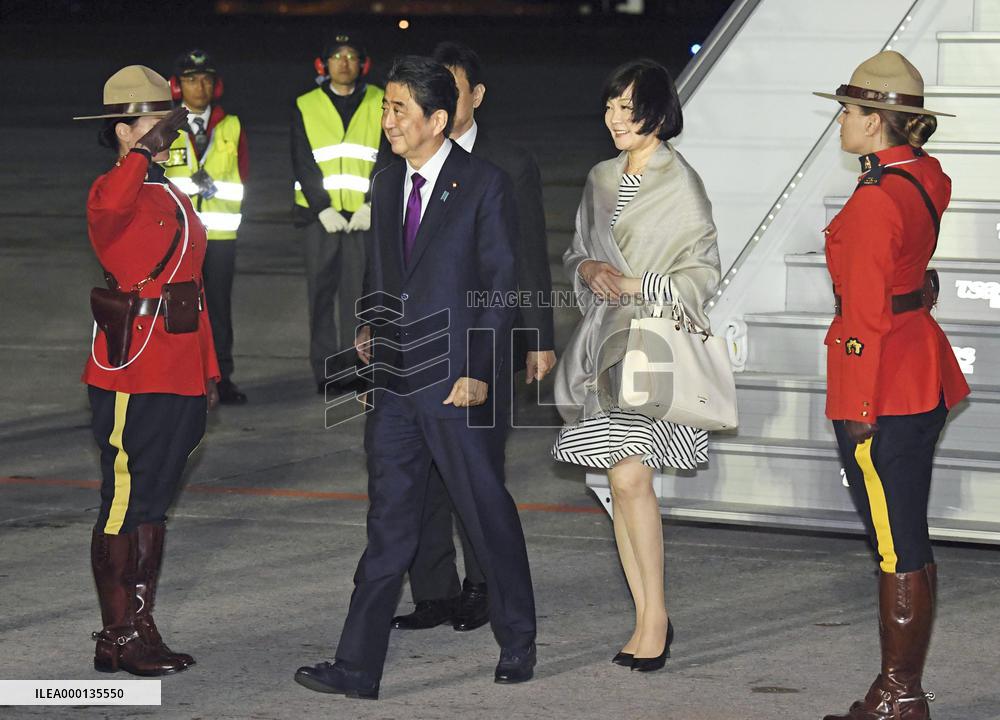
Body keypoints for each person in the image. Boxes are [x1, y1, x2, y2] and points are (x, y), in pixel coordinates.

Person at [293, 56, 536, 700]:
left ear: (438, 119)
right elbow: (382, 268)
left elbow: (501, 286)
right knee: (389, 525)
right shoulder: (383, 181)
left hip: (458, 383)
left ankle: (517, 639)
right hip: (398, 381)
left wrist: (481, 372)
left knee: (485, 514)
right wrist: (370, 324)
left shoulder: (484, 184)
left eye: (399, 108)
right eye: (385, 107)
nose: (387, 118)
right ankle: (357, 665)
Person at [813, 51, 970, 720]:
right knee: (903, 532)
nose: (840, 122)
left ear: (877, 122)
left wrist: (853, 396)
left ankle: (899, 695)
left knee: (894, 540)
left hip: (885, 386)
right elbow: (901, 282)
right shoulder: (921, 175)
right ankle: (901, 691)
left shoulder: (877, 201)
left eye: (848, 111)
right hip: (920, 372)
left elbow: (863, 323)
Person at [552, 59, 721, 672]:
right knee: (620, 485)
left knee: (628, 479)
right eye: (610, 106)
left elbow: (702, 277)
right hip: (605, 345)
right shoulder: (600, 177)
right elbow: (578, 250)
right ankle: (649, 614)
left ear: (658, 112)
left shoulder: (682, 184)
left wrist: (633, 280)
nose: (616, 118)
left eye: (629, 107)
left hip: (652, 345)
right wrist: (588, 271)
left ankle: (654, 618)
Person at [389, 41, 556, 635]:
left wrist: (538, 336)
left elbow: (527, 255)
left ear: (473, 98)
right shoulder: (401, 167)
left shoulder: (506, 164)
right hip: (420, 351)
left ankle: (484, 586)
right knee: (423, 483)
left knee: (476, 473)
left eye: (451, 87)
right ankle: (433, 591)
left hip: (484, 345)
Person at [74, 65, 221, 676]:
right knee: (124, 504)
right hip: (132, 370)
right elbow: (111, 207)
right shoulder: (114, 189)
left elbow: (192, 287)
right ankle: (115, 636)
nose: (168, 128)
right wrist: (141, 150)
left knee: (154, 503)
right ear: (122, 130)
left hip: (179, 364)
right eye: (152, 120)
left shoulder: (168, 190)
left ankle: (140, 623)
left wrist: (208, 372)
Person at [291, 32, 389, 394]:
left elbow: (389, 156)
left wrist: (371, 203)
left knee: (359, 297)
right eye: (336, 56)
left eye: (351, 56)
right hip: (321, 219)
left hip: (364, 217)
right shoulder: (306, 104)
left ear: (362, 63)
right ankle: (327, 371)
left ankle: (359, 367)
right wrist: (323, 207)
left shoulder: (381, 100)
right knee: (320, 295)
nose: (344, 63)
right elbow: (302, 160)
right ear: (323, 64)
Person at [164, 49, 249, 405]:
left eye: (206, 80)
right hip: (178, 239)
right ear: (176, 86)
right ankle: (180, 375)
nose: (199, 86)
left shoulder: (232, 125)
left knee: (218, 308)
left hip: (220, 234)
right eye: (190, 79)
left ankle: (221, 376)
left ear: (216, 86)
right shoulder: (164, 126)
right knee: (178, 307)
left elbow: (243, 176)